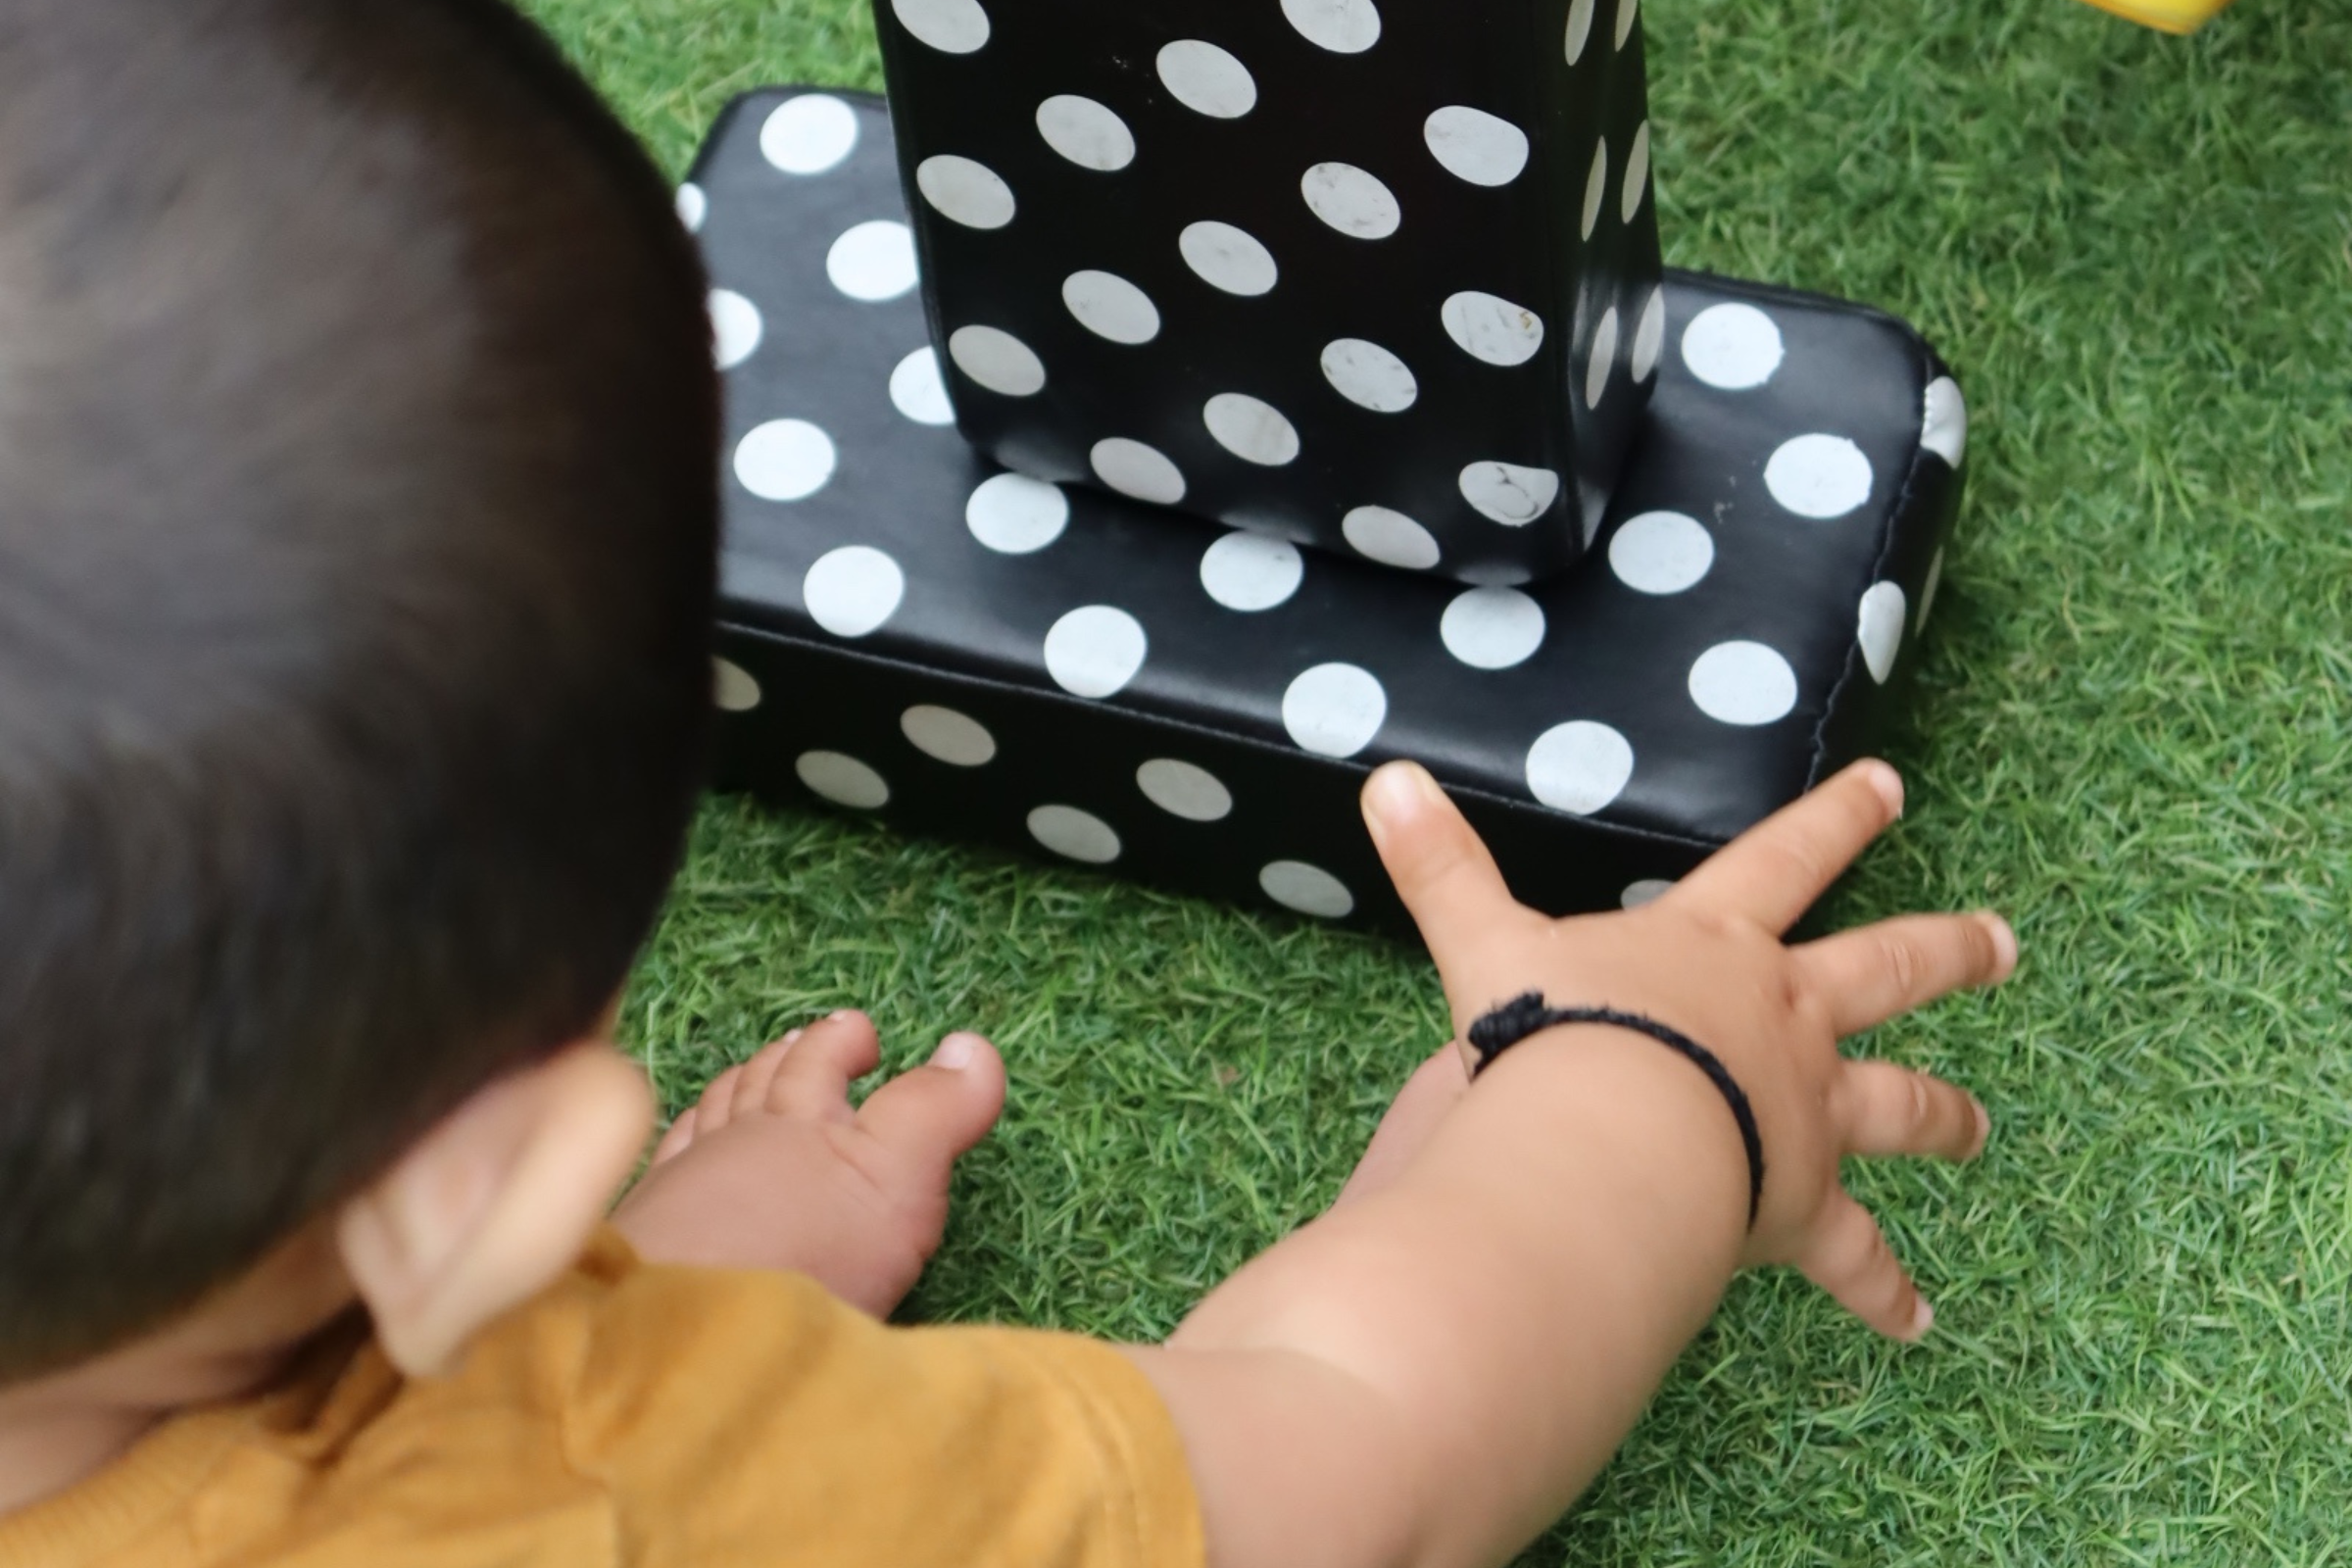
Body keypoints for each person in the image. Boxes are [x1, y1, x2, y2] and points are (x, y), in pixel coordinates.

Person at [0, 1, 2018, 1562]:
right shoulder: (638, 1510)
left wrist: (684, 1273)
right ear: (483, 1199)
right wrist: (1640, 1091)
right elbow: (1352, 1462)